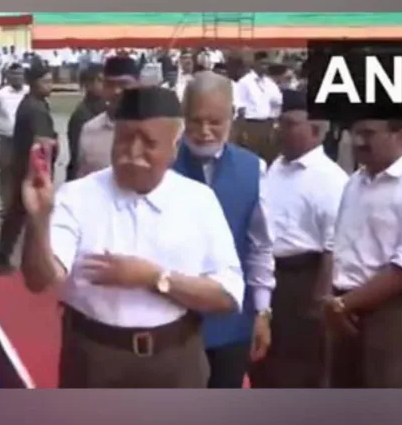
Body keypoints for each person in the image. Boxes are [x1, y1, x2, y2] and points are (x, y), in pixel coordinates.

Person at [20, 86, 244, 388]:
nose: (133, 153)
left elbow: (227, 296)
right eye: (125, 139)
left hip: (176, 361)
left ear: (174, 147)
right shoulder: (77, 196)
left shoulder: (198, 200)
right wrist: (39, 219)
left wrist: (154, 278)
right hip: (96, 358)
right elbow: (39, 279)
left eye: (149, 143)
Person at [172, 71, 275, 388]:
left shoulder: (254, 169)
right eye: (195, 120)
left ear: (231, 117)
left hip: (233, 321)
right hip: (174, 320)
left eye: (215, 122)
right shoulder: (163, 167)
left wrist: (262, 310)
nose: (204, 131)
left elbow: (260, 246)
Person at [326, 119, 402, 388]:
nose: (358, 142)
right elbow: (339, 245)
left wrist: (345, 304)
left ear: (399, 136)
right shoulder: (355, 182)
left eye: (368, 134)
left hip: (390, 312)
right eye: (354, 133)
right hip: (344, 310)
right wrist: (334, 301)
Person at [249, 89, 348, 388]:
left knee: (298, 369)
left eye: (290, 124)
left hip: (303, 282)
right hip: (268, 276)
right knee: (264, 364)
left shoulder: (330, 180)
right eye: (281, 122)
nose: (280, 130)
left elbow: (334, 248)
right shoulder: (275, 168)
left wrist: (318, 306)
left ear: (315, 130)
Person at [0, 64, 55, 274]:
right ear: (33, 83)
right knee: (27, 216)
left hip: (24, 166)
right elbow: (42, 142)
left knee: (17, 214)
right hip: (31, 170)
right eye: (45, 81)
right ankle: (14, 261)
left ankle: (5, 258)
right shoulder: (35, 108)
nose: (50, 85)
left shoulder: (34, 103)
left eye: (50, 81)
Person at [75, 56, 139, 178]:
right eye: (110, 84)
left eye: (123, 84)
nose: (116, 91)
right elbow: (82, 176)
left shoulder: (154, 129)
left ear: (138, 86)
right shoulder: (89, 129)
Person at [0, 63, 29, 210]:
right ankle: (6, 206)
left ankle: (23, 206)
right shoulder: (0, 95)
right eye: (14, 74)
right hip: (7, 139)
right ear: (8, 76)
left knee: (24, 173)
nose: (18, 77)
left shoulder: (29, 92)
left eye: (20, 74)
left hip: (24, 139)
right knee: (6, 173)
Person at [65, 63, 106, 181]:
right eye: (100, 80)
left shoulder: (106, 109)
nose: (104, 85)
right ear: (88, 84)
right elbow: (78, 154)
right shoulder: (82, 115)